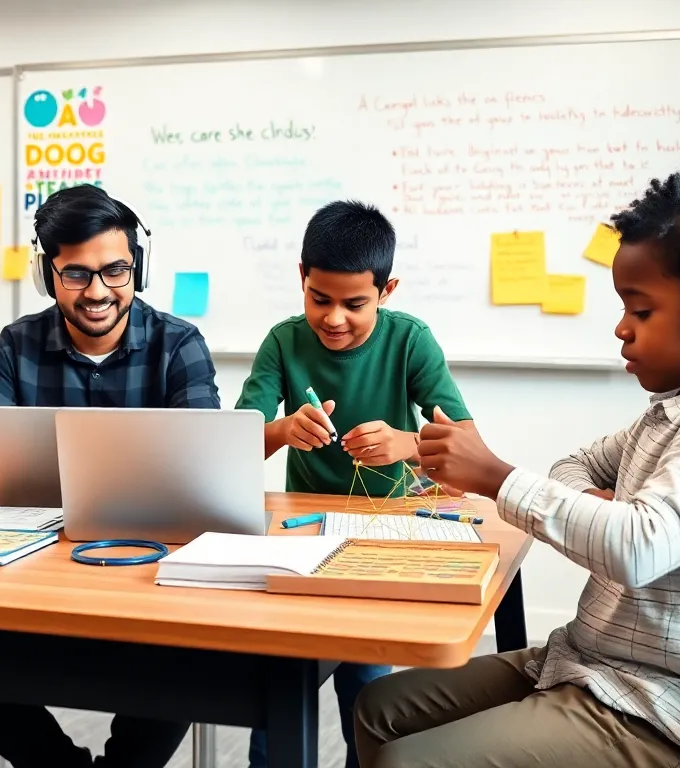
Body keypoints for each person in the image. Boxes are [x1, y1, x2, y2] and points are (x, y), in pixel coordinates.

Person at [356, 155, 680, 768]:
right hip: (595, 665)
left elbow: (636, 547)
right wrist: (611, 509)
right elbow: (574, 467)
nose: (622, 330)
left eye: (641, 310)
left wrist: (494, 477)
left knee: (406, 761)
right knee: (378, 710)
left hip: (662, 712)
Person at [0, 184, 218, 767]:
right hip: (35, 575)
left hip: (150, 577)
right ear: (49, 275)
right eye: (76, 275)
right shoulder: (16, 344)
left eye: (115, 271)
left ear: (137, 268)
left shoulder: (178, 344)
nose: (98, 292)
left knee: (194, 656)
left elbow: (201, 460)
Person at [234, 200, 474, 768]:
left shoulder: (410, 340)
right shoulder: (283, 341)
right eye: (320, 299)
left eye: (354, 304)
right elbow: (235, 442)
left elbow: (465, 442)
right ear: (301, 278)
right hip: (300, 536)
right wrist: (283, 430)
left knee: (365, 691)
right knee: (282, 683)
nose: (334, 318)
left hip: (379, 537)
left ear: (387, 290)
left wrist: (409, 444)